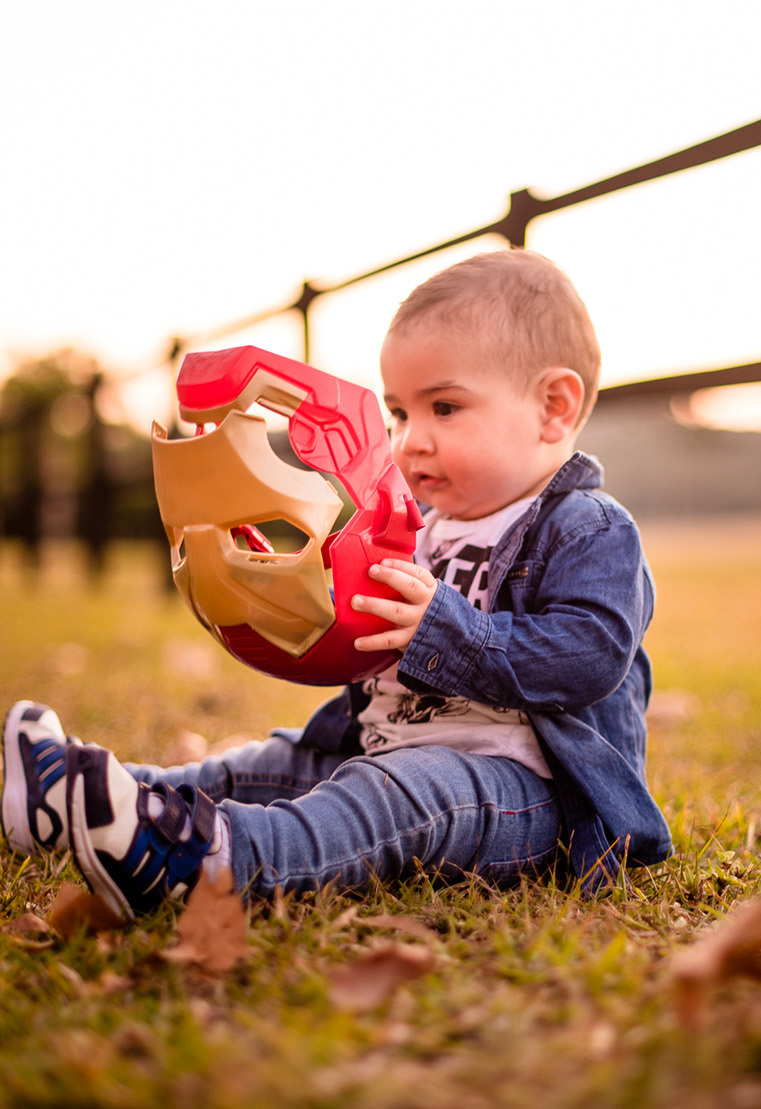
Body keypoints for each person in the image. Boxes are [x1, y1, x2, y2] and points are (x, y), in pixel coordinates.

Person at [0, 249, 672, 920]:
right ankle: (85, 799)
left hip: (521, 793)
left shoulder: (585, 529)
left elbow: (588, 656)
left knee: (395, 793)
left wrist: (445, 628)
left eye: (443, 406)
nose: (408, 440)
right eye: (398, 413)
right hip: (382, 744)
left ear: (553, 407)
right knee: (264, 764)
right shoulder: (422, 526)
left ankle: (205, 860)